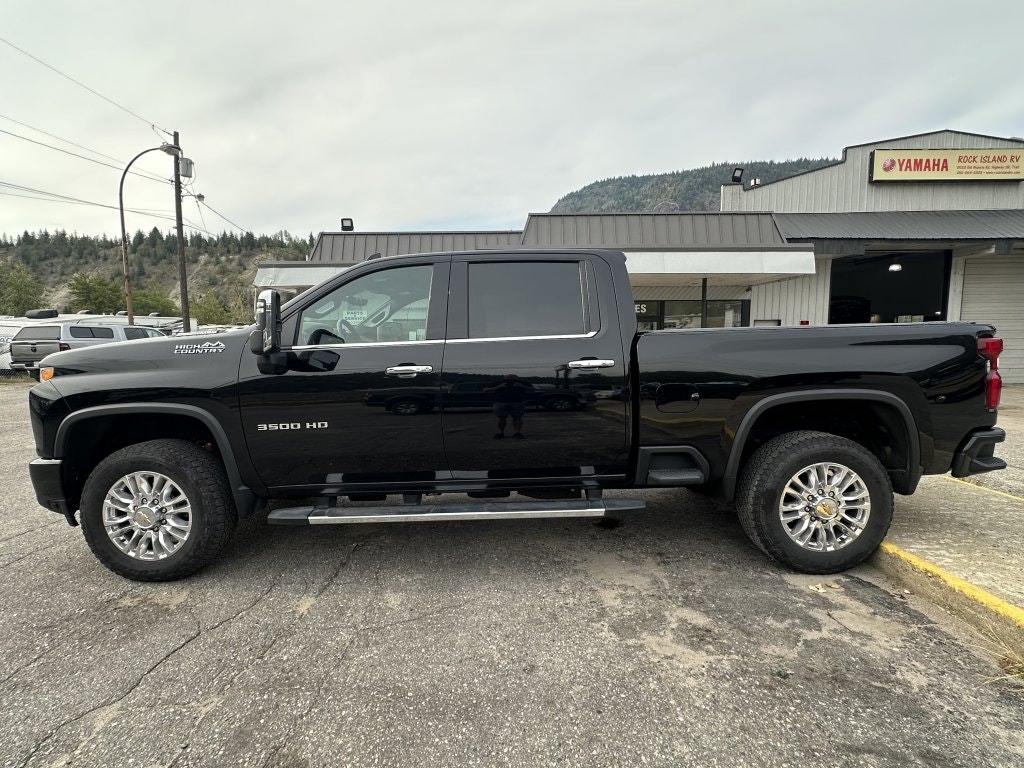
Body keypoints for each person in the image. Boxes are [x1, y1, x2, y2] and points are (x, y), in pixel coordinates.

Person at [484, 373, 531, 439]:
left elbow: (532, 389)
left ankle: (517, 433)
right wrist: (498, 386)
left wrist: (522, 386)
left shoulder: (522, 383)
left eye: (512, 378)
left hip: (517, 402)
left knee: (517, 417)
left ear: (516, 378)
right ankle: (500, 433)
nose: (511, 380)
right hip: (500, 403)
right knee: (501, 418)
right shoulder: (498, 382)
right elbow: (485, 390)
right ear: (504, 378)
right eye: (509, 378)